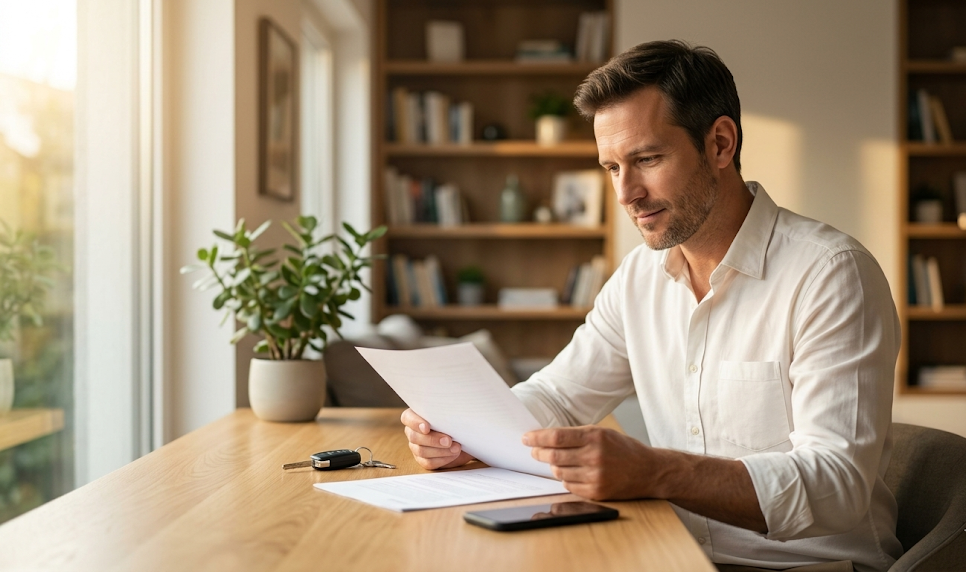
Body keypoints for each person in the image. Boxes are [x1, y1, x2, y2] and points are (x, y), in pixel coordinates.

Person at [400, 40, 901, 572]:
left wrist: (657, 472)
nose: (625, 194)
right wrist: (466, 434)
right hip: (671, 555)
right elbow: (560, 396)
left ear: (720, 144)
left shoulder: (830, 274)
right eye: (612, 167)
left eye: (647, 159)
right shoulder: (639, 278)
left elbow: (836, 485)